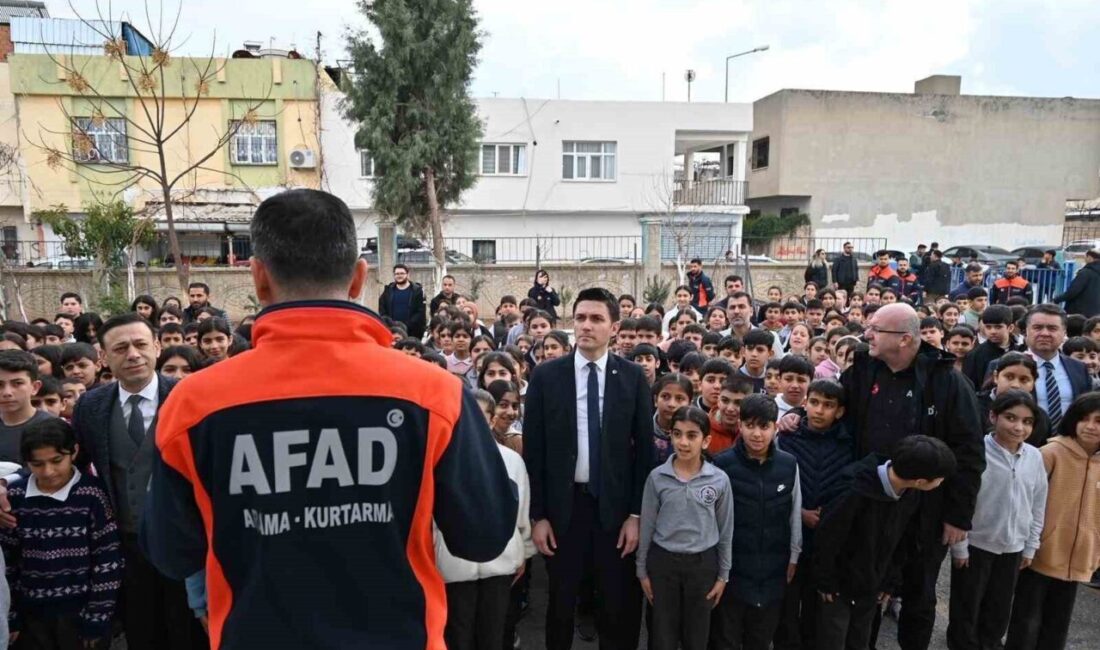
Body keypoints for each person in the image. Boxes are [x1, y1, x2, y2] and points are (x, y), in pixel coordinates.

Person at [139, 189, 516, 649]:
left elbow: (171, 553)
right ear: (359, 279)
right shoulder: (435, 394)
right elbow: (483, 536)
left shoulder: (192, 404)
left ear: (258, 279)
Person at [840, 303, 985, 650]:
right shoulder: (863, 371)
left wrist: (957, 516)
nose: (867, 335)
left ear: (905, 339)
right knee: (867, 590)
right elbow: (832, 408)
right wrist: (795, 415)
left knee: (919, 593)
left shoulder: (947, 381)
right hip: (873, 503)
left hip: (927, 509)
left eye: (876, 329)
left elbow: (969, 454)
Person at [524, 287, 653, 650]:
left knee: (618, 607)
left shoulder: (631, 378)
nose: (586, 326)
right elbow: (534, 453)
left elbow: (644, 451)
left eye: (596, 319)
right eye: (580, 318)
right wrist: (538, 517)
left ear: (614, 327)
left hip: (615, 513)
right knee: (561, 606)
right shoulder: (547, 378)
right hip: (565, 512)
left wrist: (635, 514)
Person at [813, 436, 958, 650]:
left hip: (872, 586)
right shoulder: (854, 490)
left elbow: (901, 541)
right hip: (838, 588)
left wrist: (890, 581)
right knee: (832, 640)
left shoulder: (909, 493)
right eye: (939, 479)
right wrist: (825, 580)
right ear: (919, 481)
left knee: (860, 640)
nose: (941, 483)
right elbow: (828, 538)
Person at [0, 418, 123, 649]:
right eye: (37, 464)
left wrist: (98, 616)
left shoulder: (91, 493)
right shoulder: (14, 496)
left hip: (80, 612)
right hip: (31, 615)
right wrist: (11, 613)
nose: (48, 471)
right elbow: (7, 561)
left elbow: (107, 559)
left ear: (73, 452)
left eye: (57, 461)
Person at [947, 391, 1048, 650]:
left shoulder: (1035, 457)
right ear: (993, 416)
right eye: (1011, 418)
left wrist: (1030, 545)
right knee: (966, 612)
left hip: (1012, 548)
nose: (1018, 427)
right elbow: (962, 502)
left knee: (998, 613)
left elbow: (1037, 503)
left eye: (1027, 421)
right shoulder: (976, 452)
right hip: (976, 547)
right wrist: (959, 546)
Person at [1005, 393, 1100, 650]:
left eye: (1099, 420)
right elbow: (1026, 500)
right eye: (1084, 419)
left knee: (1058, 624)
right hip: (1041, 552)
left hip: (1080, 556)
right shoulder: (1051, 453)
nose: (1091, 426)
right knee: (1026, 620)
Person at [435, 407, 534, 650]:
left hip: (500, 563)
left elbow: (521, 512)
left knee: (493, 634)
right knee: (458, 635)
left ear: (491, 419)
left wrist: (522, 551)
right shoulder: (439, 458)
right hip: (452, 566)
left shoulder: (512, 461)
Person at [637, 406, 733, 650]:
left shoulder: (719, 479)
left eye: (692, 435)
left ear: (705, 441)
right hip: (663, 563)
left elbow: (725, 530)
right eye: (677, 434)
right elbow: (646, 525)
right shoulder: (657, 477)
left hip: (702, 565)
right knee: (662, 634)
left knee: (697, 635)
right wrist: (642, 570)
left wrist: (723, 574)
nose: (683, 442)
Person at [711, 395, 801, 650]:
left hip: (773, 572)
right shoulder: (722, 464)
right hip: (732, 572)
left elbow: (794, 514)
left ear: (775, 427)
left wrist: (794, 556)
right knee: (726, 639)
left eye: (764, 426)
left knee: (760, 639)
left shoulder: (788, 464)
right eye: (750, 425)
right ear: (740, 426)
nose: (757, 434)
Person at [773, 379, 855, 650]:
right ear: (805, 403)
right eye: (815, 402)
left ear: (840, 411)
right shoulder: (787, 438)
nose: (819, 410)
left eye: (828, 405)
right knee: (786, 609)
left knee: (815, 612)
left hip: (827, 543)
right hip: (789, 538)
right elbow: (775, 487)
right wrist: (800, 514)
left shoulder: (848, 445)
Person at [1023, 304, 1092, 433]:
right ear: (1026, 330)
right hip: (1024, 444)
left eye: (1052, 328)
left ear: (1064, 332)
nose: (1044, 333)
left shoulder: (1078, 368)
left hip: (1067, 445)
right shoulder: (1006, 366)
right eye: (1037, 328)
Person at [0, 351, 55, 463]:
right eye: (0, 385)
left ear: (35, 387)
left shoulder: (51, 427)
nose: (7, 392)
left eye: (17, 383)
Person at [962, 304, 1021, 389]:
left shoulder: (1020, 351)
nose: (992, 331)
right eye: (988, 327)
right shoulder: (975, 355)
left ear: (1010, 328)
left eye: (998, 327)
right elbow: (969, 387)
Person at [379, 263, 428, 340]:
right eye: (397, 274)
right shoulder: (388, 291)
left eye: (402, 273)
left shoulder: (417, 291)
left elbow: (420, 312)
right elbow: (382, 309)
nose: (399, 276)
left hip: (412, 332)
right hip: (392, 331)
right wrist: (389, 323)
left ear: (407, 274)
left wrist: (406, 325)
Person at [1052, 249, 1100, 317]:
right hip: (1096, 312)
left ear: (1089, 257)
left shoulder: (1085, 272)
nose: (1085, 260)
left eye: (1085, 258)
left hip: (1079, 311)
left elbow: (1073, 291)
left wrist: (1057, 299)